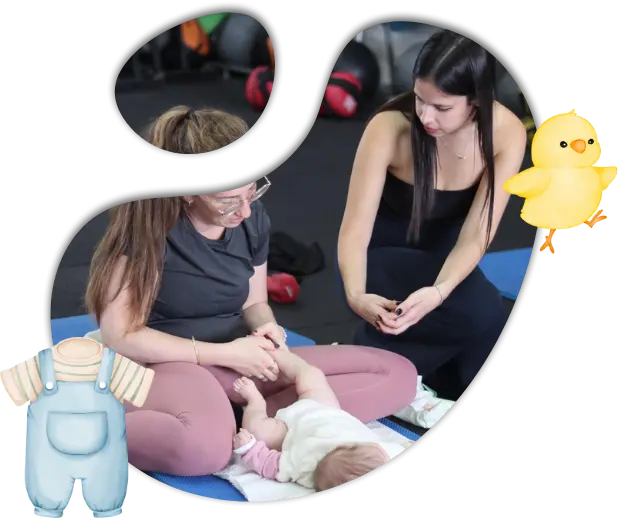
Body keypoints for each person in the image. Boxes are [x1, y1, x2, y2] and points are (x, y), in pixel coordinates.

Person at [85, 105, 418, 477]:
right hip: (165, 364)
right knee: (203, 452)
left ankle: (247, 417)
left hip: (238, 360)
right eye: (229, 201)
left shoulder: (250, 219)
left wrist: (268, 329)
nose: (244, 211)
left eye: (251, 192)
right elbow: (121, 334)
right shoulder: (145, 234)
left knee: (398, 375)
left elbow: (255, 301)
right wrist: (224, 354)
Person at [337, 30, 528, 422]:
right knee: (482, 310)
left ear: (476, 101)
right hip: (383, 254)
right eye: (419, 99)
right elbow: (354, 230)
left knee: (486, 321)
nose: (425, 116)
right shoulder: (389, 127)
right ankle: (370, 360)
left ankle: (414, 375)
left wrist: (439, 292)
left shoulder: (506, 132)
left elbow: (477, 234)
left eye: (441, 107)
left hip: (444, 257)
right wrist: (356, 295)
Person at [231, 344, 412, 491]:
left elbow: (269, 464)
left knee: (258, 432)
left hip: (289, 431)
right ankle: (278, 353)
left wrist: (249, 450)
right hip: (323, 410)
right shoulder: (386, 453)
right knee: (311, 374)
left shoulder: (303, 466)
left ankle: (255, 400)